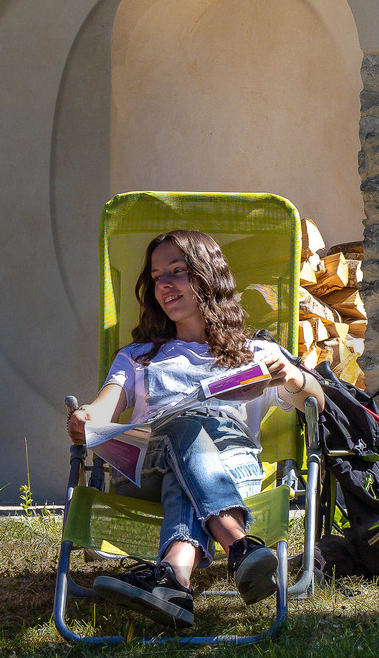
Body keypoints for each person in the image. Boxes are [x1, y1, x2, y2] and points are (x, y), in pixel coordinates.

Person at [67, 229, 326, 628]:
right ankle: (239, 545)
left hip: (232, 467)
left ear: (208, 277)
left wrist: (292, 375)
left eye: (178, 271)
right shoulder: (137, 357)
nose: (165, 285)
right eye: (157, 277)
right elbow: (103, 409)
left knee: (184, 471)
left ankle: (174, 580)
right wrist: (86, 418)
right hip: (146, 467)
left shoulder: (255, 353)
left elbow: (316, 402)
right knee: (181, 422)